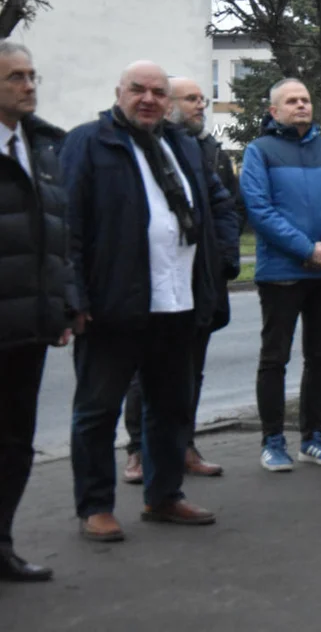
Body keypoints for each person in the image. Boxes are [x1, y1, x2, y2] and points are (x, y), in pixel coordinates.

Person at [63, 61, 238, 542]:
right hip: (113, 305)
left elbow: (218, 204)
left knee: (171, 406)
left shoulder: (181, 145)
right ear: (118, 93)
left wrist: (221, 263)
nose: (148, 99)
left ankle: (164, 496)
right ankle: (95, 506)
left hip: (178, 302)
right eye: (137, 90)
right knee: (97, 412)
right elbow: (68, 226)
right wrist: (74, 295)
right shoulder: (89, 143)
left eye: (158, 92)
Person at [122, 77, 239, 482]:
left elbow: (227, 207)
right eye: (191, 99)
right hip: (153, 284)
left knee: (192, 370)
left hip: (199, 281)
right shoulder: (143, 148)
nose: (200, 106)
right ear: (167, 104)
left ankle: (184, 444)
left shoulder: (207, 150)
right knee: (145, 372)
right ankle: (138, 450)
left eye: (202, 100)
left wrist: (223, 260)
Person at [241, 78, 321, 472]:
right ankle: (273, 440)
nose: (301, 106)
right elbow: (259, 210)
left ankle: (314, 437)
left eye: (305, 99)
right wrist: (306, 249)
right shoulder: (260, 152)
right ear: (273, 111)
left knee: (319, 358)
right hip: (281, 273)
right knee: (274, 358)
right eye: (291, 101)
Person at [0, 41, 69, 581]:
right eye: (15, 78)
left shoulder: (43, 147)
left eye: (31, 74)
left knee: (15, 443)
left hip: (27, 327)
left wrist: (62, 305)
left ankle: (1, 543)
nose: (29, 86)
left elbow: (56, 236)